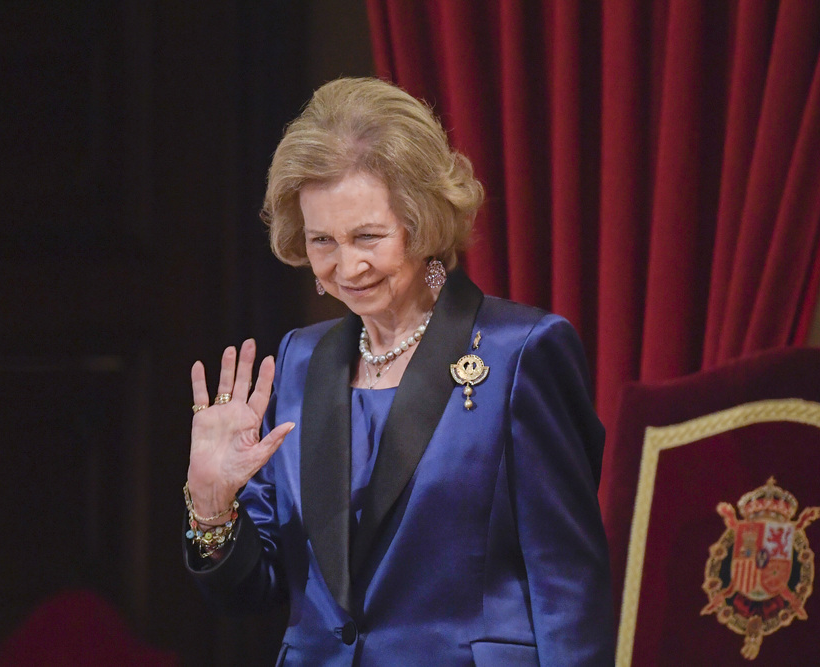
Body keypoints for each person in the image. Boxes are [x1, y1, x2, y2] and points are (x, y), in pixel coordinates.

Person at [183, 77, 614, 666]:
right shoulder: (300, 361)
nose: (347, 266)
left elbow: (569, 589)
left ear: (423, 220)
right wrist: (212, 502)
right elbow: (257, 588)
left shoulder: (521, 353)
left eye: (368, 236)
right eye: (322, 241)